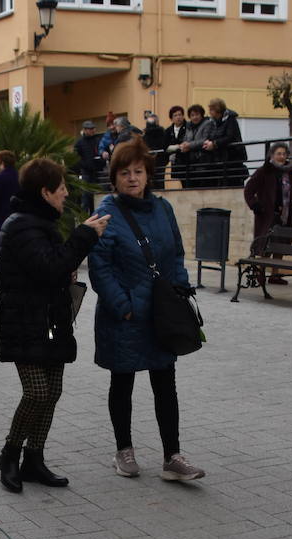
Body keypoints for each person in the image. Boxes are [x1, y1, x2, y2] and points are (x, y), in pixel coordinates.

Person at [89, 141, 204, 483]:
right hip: (123, 316)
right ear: (114, 178)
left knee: (165, 383)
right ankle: (123, 450)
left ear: (149, 174)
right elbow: (100, 268)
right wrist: (124, 307)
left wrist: (180, 291)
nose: (132, 178)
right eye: (125, 173)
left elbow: (177, 254)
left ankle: (173, 456)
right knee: (122, 381)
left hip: (161, 313)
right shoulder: (105, 214)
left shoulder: (162, 209)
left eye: (138, 171)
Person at [0, 157, 109, 492]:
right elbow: (47, 267)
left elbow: (52, 267)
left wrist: (67, 266)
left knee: (53, 391)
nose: (66, 193)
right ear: (45, 192)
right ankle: (10, 453)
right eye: (61, 188)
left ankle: (35, 458)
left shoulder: (40, 222)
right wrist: (84, 236)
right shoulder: (23, 225)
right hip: (24, 322)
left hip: (49, 320)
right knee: (37, 391)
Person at [243, 142, 292, 284]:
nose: (282, 157)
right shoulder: (265, 170)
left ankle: (275, 274)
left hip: (285, 215)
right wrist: (254, 204)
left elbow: (285, 191)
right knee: (266, 245)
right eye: (278, 154)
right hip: (268, 214)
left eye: (284, 154)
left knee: (280, 246)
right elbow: (249, 189)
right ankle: (260, 272)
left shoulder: (289, 171)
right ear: (272, 155)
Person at [193, 98, 247, 188]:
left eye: (211, 110)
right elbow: (213, 135)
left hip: (232, 158)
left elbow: (230, 137)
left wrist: (214, 144)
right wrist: (209, 141)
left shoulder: (230, 120)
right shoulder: (213, 121)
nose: (209, 112)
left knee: (231, 184)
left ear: (217, 110)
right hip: (219, 158)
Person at [175, 104, 209, 188]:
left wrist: (189, 145)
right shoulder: (189, 126)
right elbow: (186, 138)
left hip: (203, 162)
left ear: (201, 115)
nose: (195, 117)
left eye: (197, 114)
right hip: (191, 163)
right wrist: (183, 145)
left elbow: (205, 140)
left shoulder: (207, 124)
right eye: (192, 115)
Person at [74, 120, 103, 213]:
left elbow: (101, 152)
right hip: (85, 172)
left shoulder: (97, 140)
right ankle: (84, 218)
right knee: (85, 197)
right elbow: (75, 158)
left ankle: (94, 216)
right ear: (85, 130)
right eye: (90, 129)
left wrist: (100, 162)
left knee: (95, 197)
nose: (92, 130)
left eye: (93, 128)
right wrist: (84, 165)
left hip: (97, 172)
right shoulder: (79, 143)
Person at [164, 106, 190, 188]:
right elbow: (165, 145)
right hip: (175, 161)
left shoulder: (189, 127)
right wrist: (175, 147)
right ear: (171, 118)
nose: (178, 117)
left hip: (188, 160)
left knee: (189, 183)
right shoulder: (168, 131)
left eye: (180, 114)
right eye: (175, 115)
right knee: (181, 182)